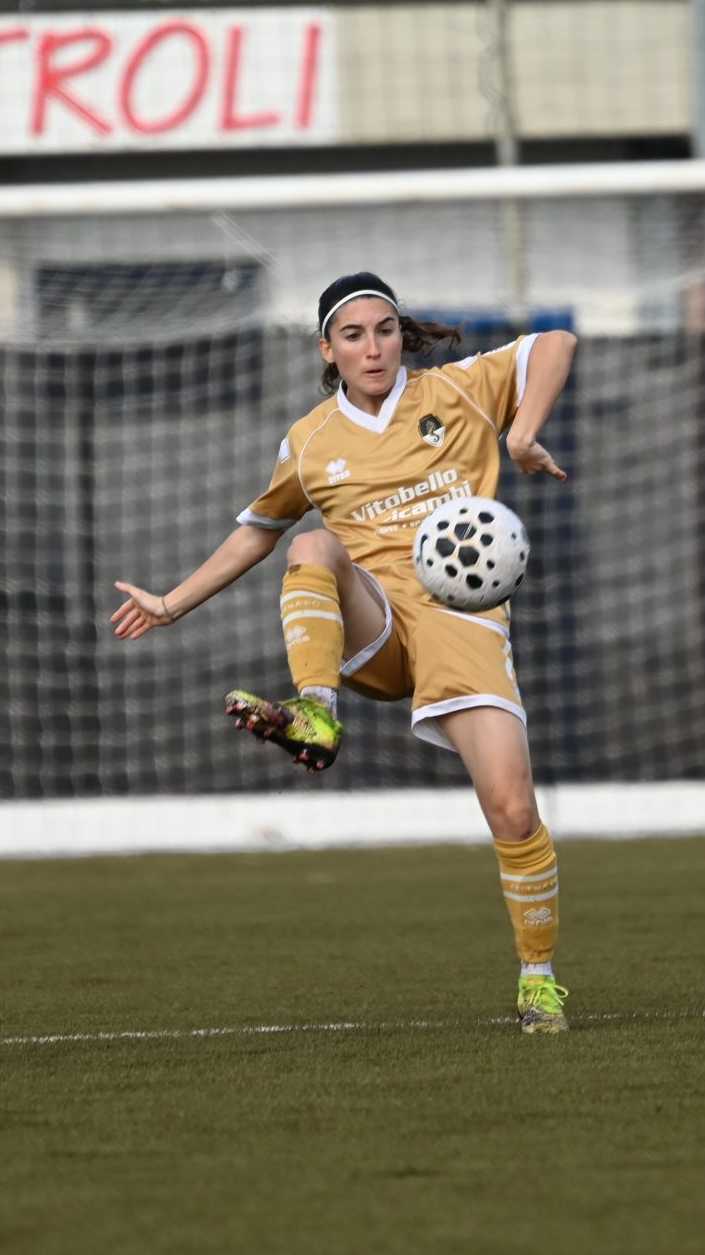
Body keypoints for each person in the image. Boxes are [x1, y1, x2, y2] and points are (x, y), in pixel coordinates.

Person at [111, 272, 579, 1032]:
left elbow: (555, 343)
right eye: (353, 335)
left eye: (384, 330)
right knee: (312, 544)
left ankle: (538, 980)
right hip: (376, 629)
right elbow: (257, 532)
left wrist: (521, 432)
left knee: (514, 810)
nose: (373, 348)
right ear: (327, 349)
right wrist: (169, 604)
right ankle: (316, 712)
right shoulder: (310, 441)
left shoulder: (456, 391)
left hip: (462, 625)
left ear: (402, 335)